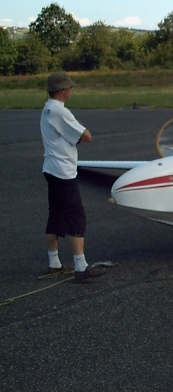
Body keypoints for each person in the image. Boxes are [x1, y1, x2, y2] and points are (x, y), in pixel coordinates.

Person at [40, 71, 106, 283]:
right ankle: (81, 267)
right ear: (62, 90)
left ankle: (54, 263)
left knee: (56, 214)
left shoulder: (47, 108)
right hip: (63, 171)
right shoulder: (61, 112)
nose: (71, 90)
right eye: (69, 87)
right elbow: (86, 136)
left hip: (51, 168)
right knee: (76, 217)